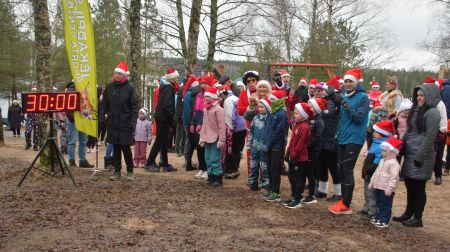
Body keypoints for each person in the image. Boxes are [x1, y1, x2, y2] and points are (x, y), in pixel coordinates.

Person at [393, 84, 440, 227]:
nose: (419, 97)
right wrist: (401, 146)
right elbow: (410, 131)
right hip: (411, 152)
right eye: (418, 95)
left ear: (429, 96)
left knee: (418, 186)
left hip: (422, 154)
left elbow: (430, 136)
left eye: (422, 95)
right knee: (409, 184)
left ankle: (418, 217)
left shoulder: (433, 113)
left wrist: (419, 156)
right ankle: (408, 213)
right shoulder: (416, 110)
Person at [328, 68, 370, 215]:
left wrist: (345, 104)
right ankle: (343, 200)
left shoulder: (363, 97)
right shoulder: (345, 95)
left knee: (347, 168)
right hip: (342, 137)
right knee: (340, 168)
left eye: (350, 81)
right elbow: (341, 117)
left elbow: (358, 118)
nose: (348, 83)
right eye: (346, 81)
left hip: (355, 138)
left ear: (356, 82)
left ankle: (346, 203)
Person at [100, 61, 138, 180]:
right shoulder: (109, 87)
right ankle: (117, 171)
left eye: (119, 73)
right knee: (115, 148)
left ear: (124, 75)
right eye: (115, 73)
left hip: (125, 123)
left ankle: (130, 171)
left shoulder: (130, 88)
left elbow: (134, 106)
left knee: (125, 147)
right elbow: (104, 104)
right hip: (112, 123)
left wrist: (133, 121)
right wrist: (102, 117)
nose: (116, 75)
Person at [359, 120, 394, 220]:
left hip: (373, 173)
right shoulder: (375, 141)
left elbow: (379, 159)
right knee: (367, 191)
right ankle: (367, 207)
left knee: (371, 193)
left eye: (376, 131)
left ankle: (372, 211)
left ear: (382, 134)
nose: (373, 133)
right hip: (368, 171)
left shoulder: (383, 145)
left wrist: (370, 168)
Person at [145, 68, 178, 172]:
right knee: (159, 141)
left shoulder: (165, 87)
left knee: (163, 141)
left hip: (161, 117)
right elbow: (167, 105)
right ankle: (149, 163)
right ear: (172, 78)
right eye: (176, 78)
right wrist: (172, 118)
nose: (177, 79)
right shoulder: (168, 88)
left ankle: (165, 163)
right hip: (164, 118)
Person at [316, 76, 342, 201]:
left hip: (332, 137)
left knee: (332, 164)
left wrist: (320, 111)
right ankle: (322, 189)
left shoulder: (335, 100)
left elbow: (329, 112)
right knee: (321, 163)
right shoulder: (326, 99)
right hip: (323, 135)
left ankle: (338, 192)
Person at [368, 136, 403, 228]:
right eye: (382, 150)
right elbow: (376, 172)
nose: (382, 152)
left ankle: (384, 220)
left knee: (386, 205)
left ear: (391, 152)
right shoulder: (382, 160)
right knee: (379, 203)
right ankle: (379, 217)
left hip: (387, 189)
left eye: (384, 151)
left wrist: (390, 188)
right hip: (379, 186)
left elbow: (394, 177)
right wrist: (372, 181)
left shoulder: (394, 164)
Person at [283, 103, 312, 209]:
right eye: (294, 113)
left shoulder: (304, 127)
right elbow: (292, 141)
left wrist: (294, 155)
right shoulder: (296, 125)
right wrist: (288, 152)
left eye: (297, 113)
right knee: (291, 177)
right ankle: (293, 195)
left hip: (300, 158)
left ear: (304, 115)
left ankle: (298, 198)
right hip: (293, 156)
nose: (294, 115)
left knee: (298, 179)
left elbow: (301, 144)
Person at [262, 96, 288, 202]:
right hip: (269, 145)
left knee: (275, 169)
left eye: (274, 100)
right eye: (271, 100)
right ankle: (271, 190)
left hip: (277, 146)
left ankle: (276, 193)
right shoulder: (272, 112)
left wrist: (270, 143)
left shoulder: (282, 113)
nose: (272, 102)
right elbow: (267, 128)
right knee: (269, 168)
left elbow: (279, 131)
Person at [423, 76, 448, 185]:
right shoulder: (422, 101)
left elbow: (443, 120)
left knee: (437, 155)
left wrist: (440, 131)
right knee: (424, 153)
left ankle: (438, 175)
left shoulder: (440, 104)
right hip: (424, 132)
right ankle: (424, 174)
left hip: (437, 133)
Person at [199, 86, 226, 187]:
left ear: (214, 97)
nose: (206, 98)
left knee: (215, 158)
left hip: (216, 138)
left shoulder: (219, 110)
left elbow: (222, 126)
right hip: (207, 137)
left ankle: (218, 178)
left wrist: (222, 140)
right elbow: (204, 125)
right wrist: (201, 138)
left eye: (209, 97)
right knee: (207, 158)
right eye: (205, 97)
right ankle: (211, 177)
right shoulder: (206, 109)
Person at [66, 81, 95, 169]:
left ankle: (82, 160)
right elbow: (67, 106)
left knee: (83, 140)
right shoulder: (70, 91)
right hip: (73, 120)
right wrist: (72, 118)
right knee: (73, 141)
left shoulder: (85, 89)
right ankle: (71, 161)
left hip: (83, 119)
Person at [304, 97, 327, 204]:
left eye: (311, 106)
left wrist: (307, 144)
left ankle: (312, 194)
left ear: (317, 108)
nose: (309, 107)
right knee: (308, 170)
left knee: (312, 171)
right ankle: (311, 190)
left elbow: (317, 137)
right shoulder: (308, 118)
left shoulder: (319, 121)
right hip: (307, 148)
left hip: (314, 150)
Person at [223, 84, 246, 179]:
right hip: (243, 127)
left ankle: (233, 169)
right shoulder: (237, 98)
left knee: (231, 149)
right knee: (237, 149)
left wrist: (230, 128)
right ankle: (233, 167)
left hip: (236, 128)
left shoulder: (228, 100)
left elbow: (229, 115)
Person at [247, 98, 270, 191]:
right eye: (259, 107)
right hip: (255, 147)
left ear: (268, 108)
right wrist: (249, 144)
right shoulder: (255, 118)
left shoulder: (269, 119)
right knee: (253, 165)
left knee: (264, 166)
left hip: (264, 147)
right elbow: (251, 132)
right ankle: (253, 183)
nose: (259, 109)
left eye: (262, 107)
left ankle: (266, 185)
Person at [25, 86, 39, 150]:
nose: (34, 92)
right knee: (28, 132)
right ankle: (28, 144)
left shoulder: (40, 99)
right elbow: (24, 108)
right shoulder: (28, 98)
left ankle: (35, 146)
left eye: (35, 91)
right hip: (29, 118)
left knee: (36, 133)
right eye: (33, 91)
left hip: (37, 118)